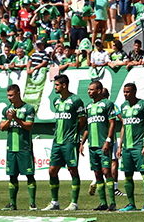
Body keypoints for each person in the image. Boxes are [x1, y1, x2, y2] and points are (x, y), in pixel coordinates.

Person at [43, 74, 86, 211]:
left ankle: (74, 203)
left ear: (64, 85)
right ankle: (54, 202)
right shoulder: (56, 101)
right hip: (57, 141)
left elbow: (82, 121)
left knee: (72, 170)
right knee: (52, 170)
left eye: (56, 85)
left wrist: (73, 134)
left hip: (70, 142)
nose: (55, 87)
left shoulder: (76, 100)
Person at [80, 80, 118, 211]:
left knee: (106, 171)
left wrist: (108, 140)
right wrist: (82, 143)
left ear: (99, 91)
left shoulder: (107, 104)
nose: (89, 92)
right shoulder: (88, 107)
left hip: (103, 144)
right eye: (89, 89)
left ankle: (112, 203)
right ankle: (103, 203)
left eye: (91, 89)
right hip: (92, 145)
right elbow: (87, 127)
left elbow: (113, 123)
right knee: (97, 174)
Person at [116, 82, 144, 211]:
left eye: (128, 92)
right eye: (124, 92)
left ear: (134, 92)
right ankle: (131, 204)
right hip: (126, 147)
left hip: (140, 146)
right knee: (127, 175)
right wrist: (120, 146)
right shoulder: (124, 106)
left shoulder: (143, 105)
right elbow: (123, 126)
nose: (125, 94)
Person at [0, 84, 37, 210]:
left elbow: (29, 126)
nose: (9, 98)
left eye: (11, 95)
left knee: (29, 175)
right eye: (8, 95)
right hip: (11, 148)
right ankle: (12, 204)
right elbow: (2, 127)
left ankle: (32, 203)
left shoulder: (28, 108)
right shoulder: (6, 109)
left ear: (18, 93)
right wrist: (10, 120)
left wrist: (16, 118)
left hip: (24, 148)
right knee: (12, 175)